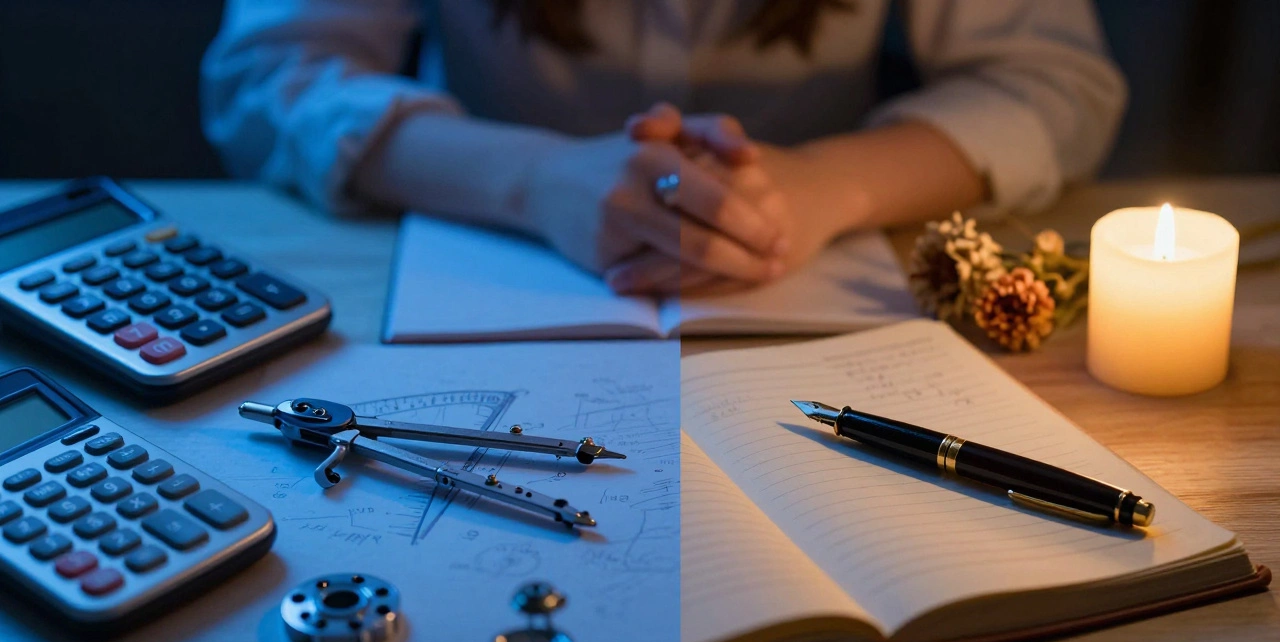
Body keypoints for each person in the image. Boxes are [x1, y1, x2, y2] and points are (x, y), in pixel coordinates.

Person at [201, 0, 1125, 296]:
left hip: (805, 273)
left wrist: (822, 186)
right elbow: (270, 70)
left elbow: (1054, 83)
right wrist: (532, 178)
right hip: (495, 258)